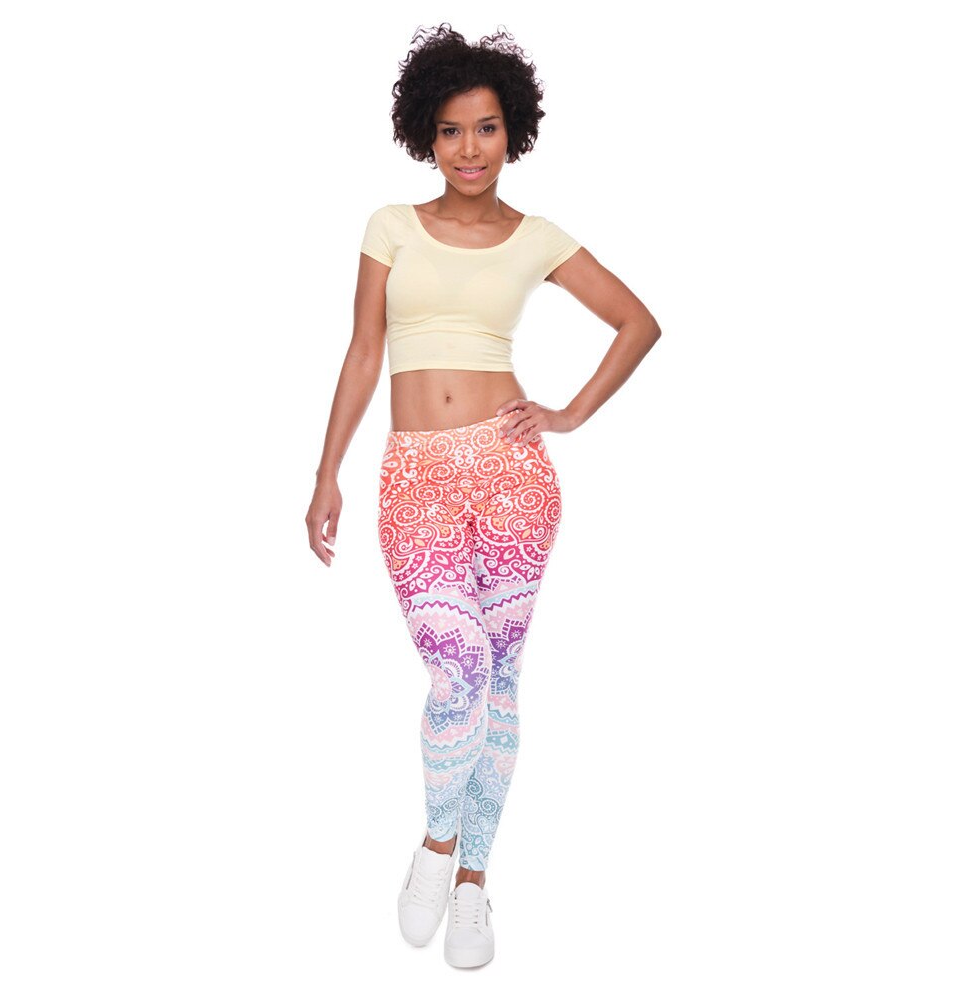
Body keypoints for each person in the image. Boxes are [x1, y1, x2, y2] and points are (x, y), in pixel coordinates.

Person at [306, 24, 661, 968]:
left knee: (499, 680)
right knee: (455, 667)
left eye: (488, 128)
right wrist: (326, 471)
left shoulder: (538, 239)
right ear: (426, 133)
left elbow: (637, 322)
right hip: (416, 474)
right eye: (452, 130)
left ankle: (472, 877)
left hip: (513, 479)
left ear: (515, 133)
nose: (470, 149)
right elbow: (364, 352)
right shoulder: (390, 225)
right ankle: (436, 842)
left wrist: (570, 413)